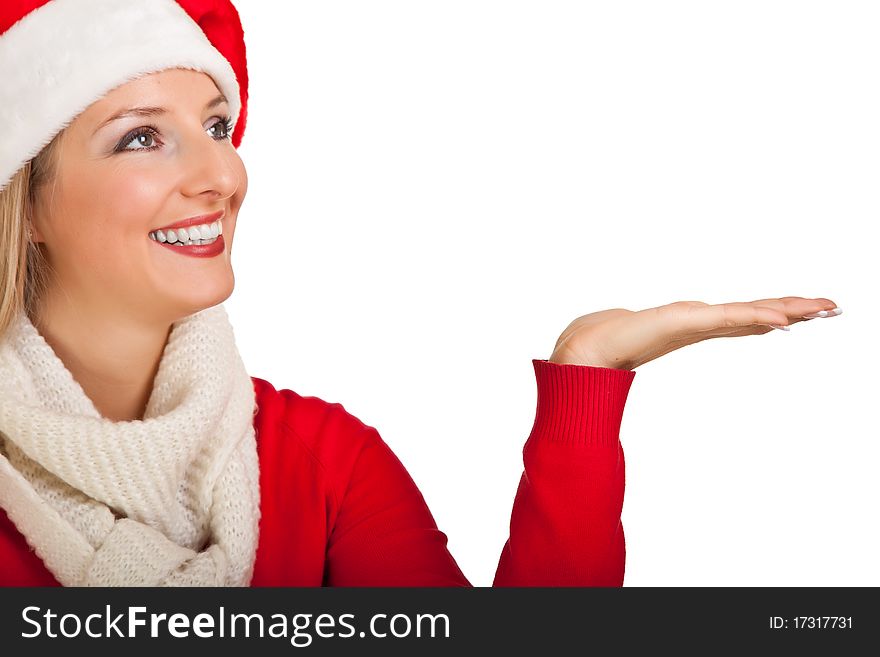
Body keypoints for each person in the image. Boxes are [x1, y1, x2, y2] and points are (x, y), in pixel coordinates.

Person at [0, 0, 841, 587]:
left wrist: (583, 376)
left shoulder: (321, 462)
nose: (222, 173)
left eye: (218, 126)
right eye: (143, 137)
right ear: (24, 199)